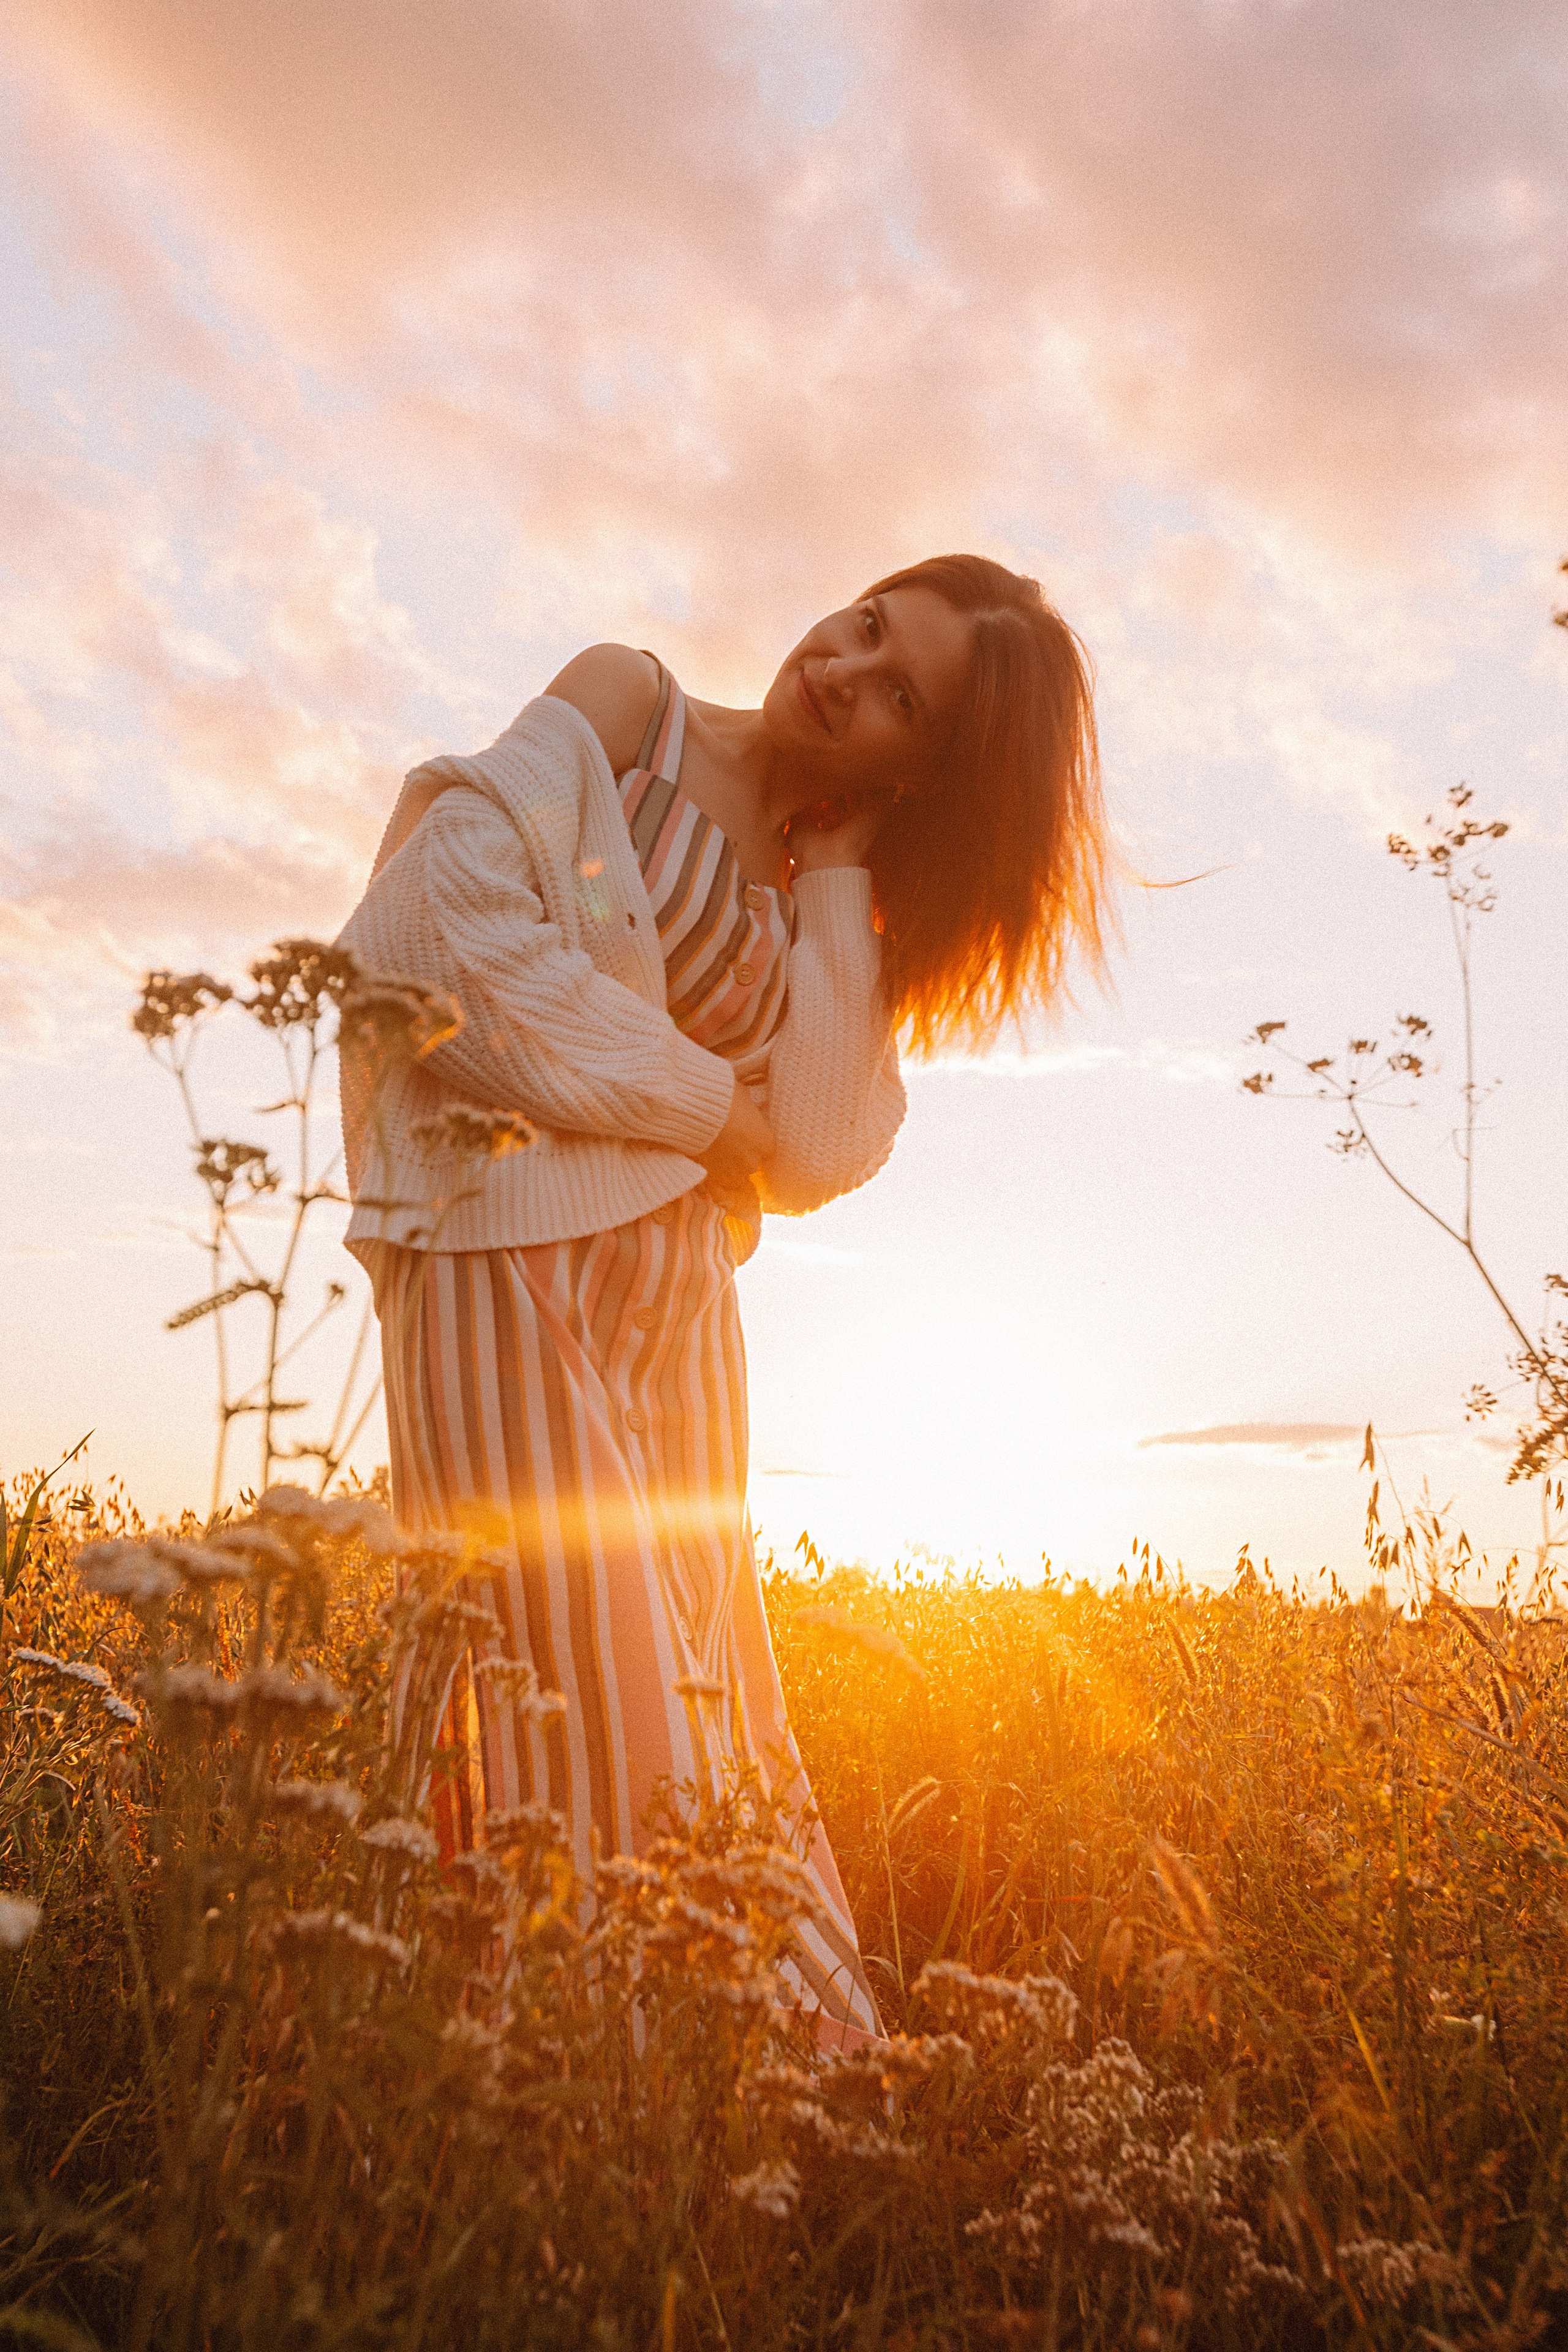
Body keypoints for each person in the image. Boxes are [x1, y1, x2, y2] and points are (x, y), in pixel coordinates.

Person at [336, 552, 1107, 2046]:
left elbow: (817, 1141)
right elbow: (422, 941)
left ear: (923, 774)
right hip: (502, 1257)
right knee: (566, 1687)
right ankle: (576, 2102)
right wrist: (703, 1106)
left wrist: (834, 869)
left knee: (699, 1699)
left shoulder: (841, 898)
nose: (842, 668)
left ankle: (725, 2099)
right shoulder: (633, 707)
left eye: (901, 702)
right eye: (870, 626)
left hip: (682, 1317)